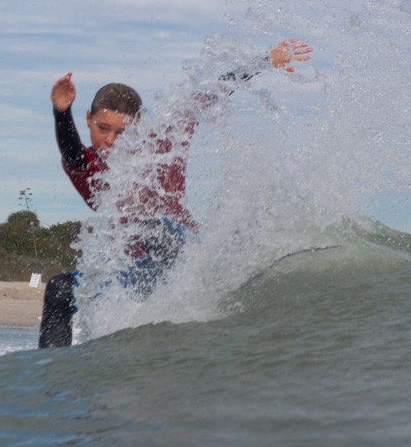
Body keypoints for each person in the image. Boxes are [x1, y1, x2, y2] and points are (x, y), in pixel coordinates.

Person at [38, 39, 312, 348]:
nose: (111, 141)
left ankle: (211, 289)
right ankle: (52, 375)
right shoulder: (88, 166)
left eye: (122, 132)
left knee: (152, 229)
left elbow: (210, 92)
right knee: (59, 288)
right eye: (103, 129)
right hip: (135, 272)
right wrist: (62, 113)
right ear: (88, 119)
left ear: (139, 127)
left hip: (184, 248)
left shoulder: (163, 137)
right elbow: (72, 152)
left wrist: (263, 61)